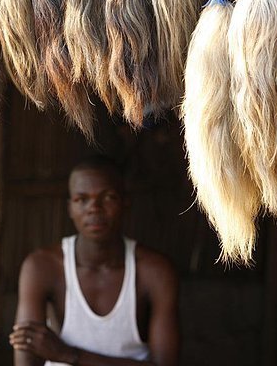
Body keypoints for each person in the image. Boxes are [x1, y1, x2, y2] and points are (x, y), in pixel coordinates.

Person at [10, 156, 179, 366]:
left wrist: (69, 355)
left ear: (125, 202)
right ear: (70, 208)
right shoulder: (42, 266)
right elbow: (26, 355)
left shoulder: (154, 271)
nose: (94, 208)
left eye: (107, 197)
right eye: (82, 199)